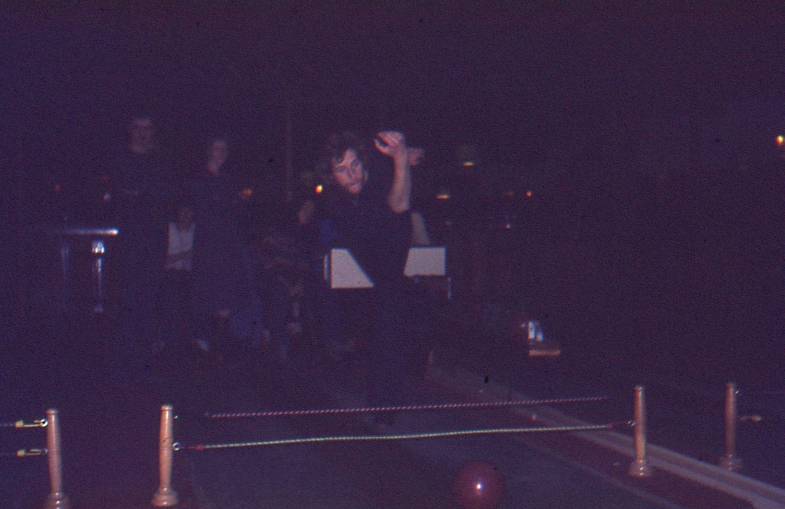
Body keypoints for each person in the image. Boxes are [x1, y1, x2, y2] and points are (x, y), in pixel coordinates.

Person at [319, 130, 417, 427]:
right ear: (331, 176)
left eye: (355, 165)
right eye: (341, 170)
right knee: (380, 328)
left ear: (364, 163)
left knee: (388, 324)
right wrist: (402, 159)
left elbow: (400, 205)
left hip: (394, 255)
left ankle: (386, 407)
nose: (352, 175)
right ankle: (384, 405)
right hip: (376, 266)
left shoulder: (378, 181)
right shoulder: (335, 199)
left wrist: (402, 157)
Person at [108, 114, 174, 385]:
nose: (142, 133)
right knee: (128, 302)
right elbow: (124, 192)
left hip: (154, 242)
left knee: (149, 303)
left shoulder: (160, 162)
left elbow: (163, 195)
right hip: (129, 243)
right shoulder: (120, 160)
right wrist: (141, 193)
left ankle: (142, 364)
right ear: (130, 129)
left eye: (147, 128)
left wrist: (143, 193)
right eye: (138, 127)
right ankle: (123, 364)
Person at [190, 136, 261, 356]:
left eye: (224, 149)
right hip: (210, 243)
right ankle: (206, 343)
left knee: (228, 293)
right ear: (208, 151)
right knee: (211, 291)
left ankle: (222, 343)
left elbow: (237, 210)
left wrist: (240, 203)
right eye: (216, 148)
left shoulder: (228, 179)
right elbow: (207, 209)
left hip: (228, 243)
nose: (220, 153)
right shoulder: (201, 178)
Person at [157, 202, 195, 351]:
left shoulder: (197, 231)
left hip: (191, 276)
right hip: (169, 275)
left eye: (188, 211)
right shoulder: (168, 229)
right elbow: (162, 260)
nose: (185, 215)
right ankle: (167, 341)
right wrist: (185, 254)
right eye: (182, 211)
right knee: (172, 294)